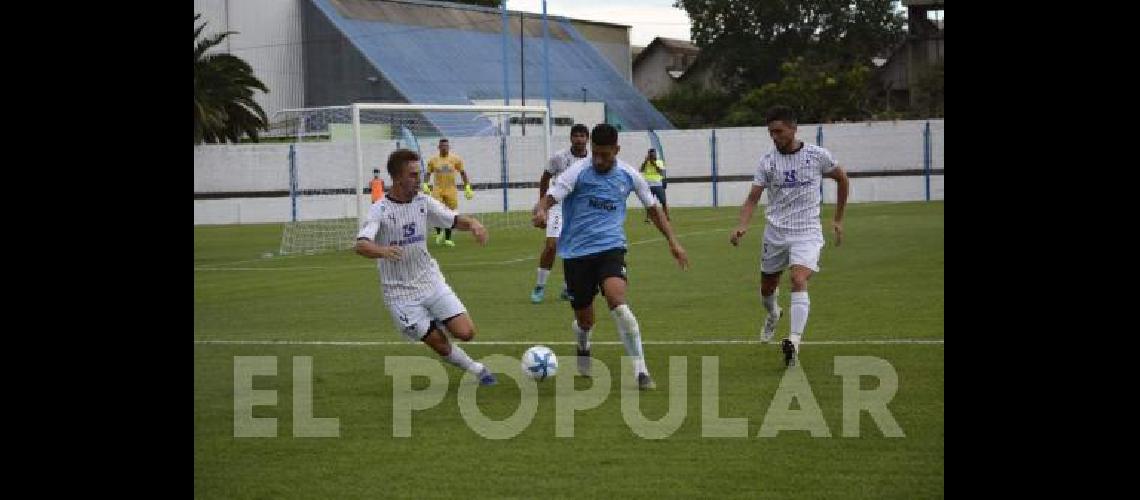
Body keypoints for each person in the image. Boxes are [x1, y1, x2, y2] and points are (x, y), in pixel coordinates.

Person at [532, 123, 689, 390]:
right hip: (576, 253)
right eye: (596, 153)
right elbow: (552, 196)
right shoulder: (577, 171)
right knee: (585, 320)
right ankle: (583, 344)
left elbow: (652, 208)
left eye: (605, 154)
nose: (599, 159)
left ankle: (640, 370)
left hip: (610, 249)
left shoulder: (629, 175)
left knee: (617, 300)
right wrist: (541, 210)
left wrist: (673, 241)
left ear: (617, 149)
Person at [355, 149, 496, 385]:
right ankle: (476, 369)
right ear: (397, 177)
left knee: (467, 333)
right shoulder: (379, 210)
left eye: (419, 173)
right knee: (440, 343)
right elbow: (361, 245)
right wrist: (383, 251)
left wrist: (472, 224)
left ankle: (436, 318)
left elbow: (452, 219)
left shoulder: (423, 201)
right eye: (412, 175)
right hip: (400, 293)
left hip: (429, 281)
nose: (418, 179)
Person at [729, 105, 850, 368]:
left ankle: (793, 341)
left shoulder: (817, 156)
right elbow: (753, 198)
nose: (775, 137)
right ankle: (773, 314)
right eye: (771, 132)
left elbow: (842, 179)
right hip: (775, 233)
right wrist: (742, 225)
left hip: (807, 232)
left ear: (794, 129)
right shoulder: (767, 162)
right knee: (767, 288)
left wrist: (838, 219)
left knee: (798, 278)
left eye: (779, 131)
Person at [530, 123, 591, 304]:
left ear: (587, 139)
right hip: (557, 204)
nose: (579, 139)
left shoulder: (592, 160)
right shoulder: (559, 157)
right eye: (576, 135)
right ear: (571, 138)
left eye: (583, 135)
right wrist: (542, 207)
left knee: (576, 248)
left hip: (579, 208)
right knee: (551, 245)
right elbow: (545, 178)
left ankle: (567, 287)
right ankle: (539, 287)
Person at [423, 138, 474, 247]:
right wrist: (425, 184)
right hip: (438, 189)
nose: (445, 148)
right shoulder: (433, 160)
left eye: (447, 146)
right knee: (435, 211)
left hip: (451, 190)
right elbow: (428, 173)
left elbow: (463, 173)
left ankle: (448, 239)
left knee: (451, 214)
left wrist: (467, 187)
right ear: (439, 147)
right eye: (443, 146)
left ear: (449, 147)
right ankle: (438, 232)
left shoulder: (456, 159)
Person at [640, 149, 668, 222]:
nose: (652, 156)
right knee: (649, 202)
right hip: (648, 185)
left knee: (663, 201)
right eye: (651, 154)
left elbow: (661, 172)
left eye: (653, 154)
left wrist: (654, 163)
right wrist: (646, 161)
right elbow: (641, 170)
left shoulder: (659, 162)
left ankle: (666, 216)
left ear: (655, 154)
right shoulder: (646, 163)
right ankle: (649, 218)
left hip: (658, 184)